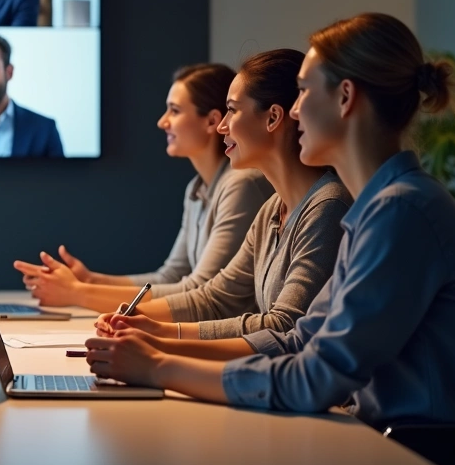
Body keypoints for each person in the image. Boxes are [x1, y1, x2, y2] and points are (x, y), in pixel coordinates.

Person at [85, 13, 455, 429]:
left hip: (425, 453)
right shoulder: (376, 207)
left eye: (305, 91)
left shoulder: (399, 211)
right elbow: (299, 340)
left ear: (346, 98)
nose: (293, 112)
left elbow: (316, 378)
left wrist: (159, 367)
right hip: (388, 439)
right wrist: (156, 346)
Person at [82, 50, 349, 339]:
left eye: (232, 110)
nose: (223, 125)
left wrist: (164, 342)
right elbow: (215, 296)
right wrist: (135, 318)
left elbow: (285, 326)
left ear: (272, 117)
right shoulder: (272, 209)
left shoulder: (328, 206)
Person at [14, 63, 272, 302]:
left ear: (212, 121)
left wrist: (80, 293)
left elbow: (198, 288)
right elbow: (170, 276)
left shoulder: (241, 184)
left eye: (175, 110)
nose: (163, 122)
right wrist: (89, 280)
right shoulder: (197, 189)